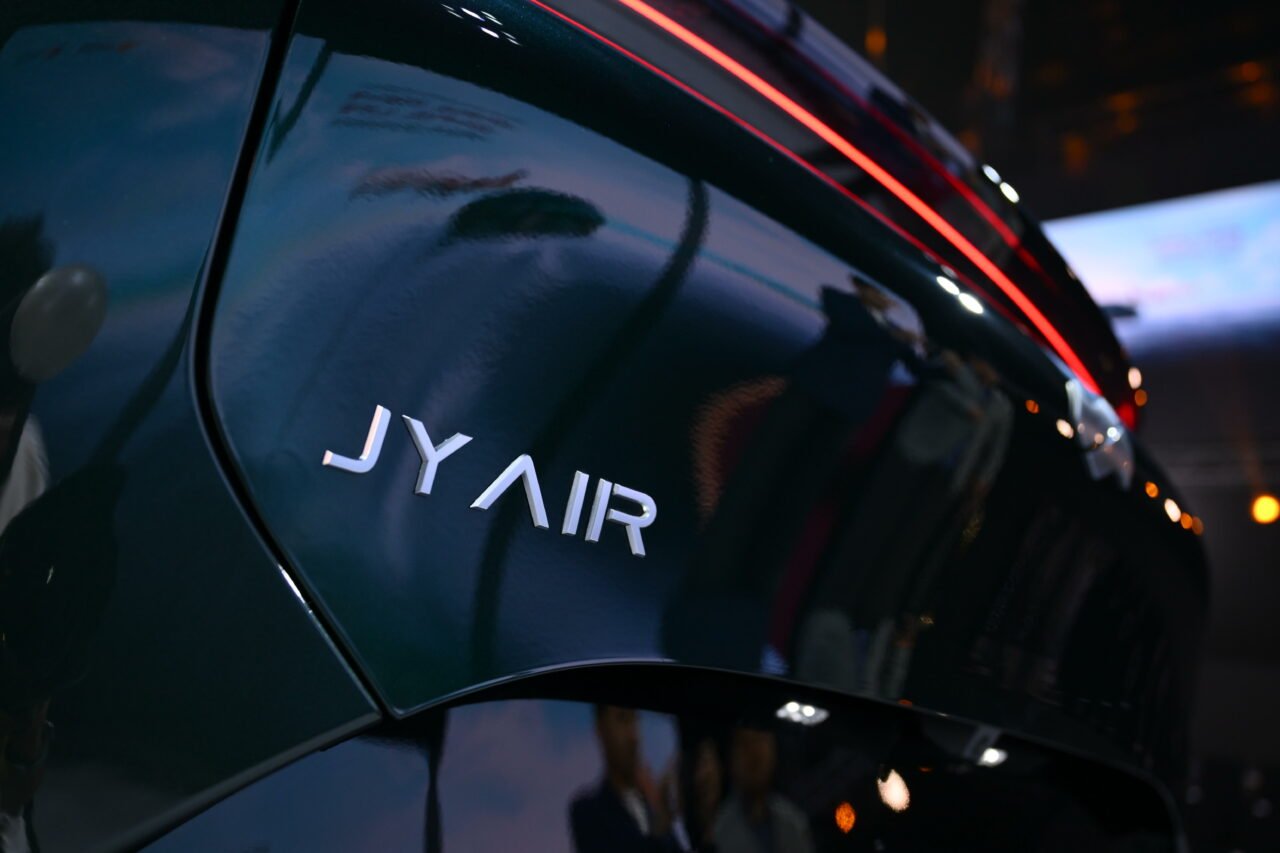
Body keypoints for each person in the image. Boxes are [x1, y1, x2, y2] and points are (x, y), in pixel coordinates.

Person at [570, 705, 678, 853]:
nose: (634, 736)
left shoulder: (652, 806)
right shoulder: (588, 811)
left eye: (635, 720)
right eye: (622, 719)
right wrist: (659, 821)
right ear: (601, 729)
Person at [713, 726, 813, 853]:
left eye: (760, 741)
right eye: (745, 743)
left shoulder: (793, 823)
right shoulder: (719, 831)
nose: (754, 753)